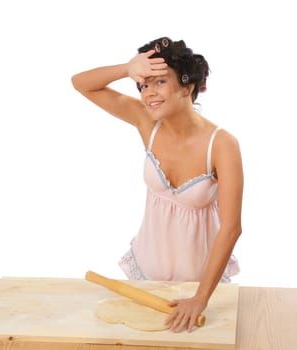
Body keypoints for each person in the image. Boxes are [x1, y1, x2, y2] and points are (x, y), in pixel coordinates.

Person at [71, 37, 243, 332]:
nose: (148, 93)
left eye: (160, 82)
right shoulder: (146, 122)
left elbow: (231, 228)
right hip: (146, 274)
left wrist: (200, 298)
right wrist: (128, 68)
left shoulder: (222, 144)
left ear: (188, 87)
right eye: (143, 85)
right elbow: (81, 83)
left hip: (199, 285)